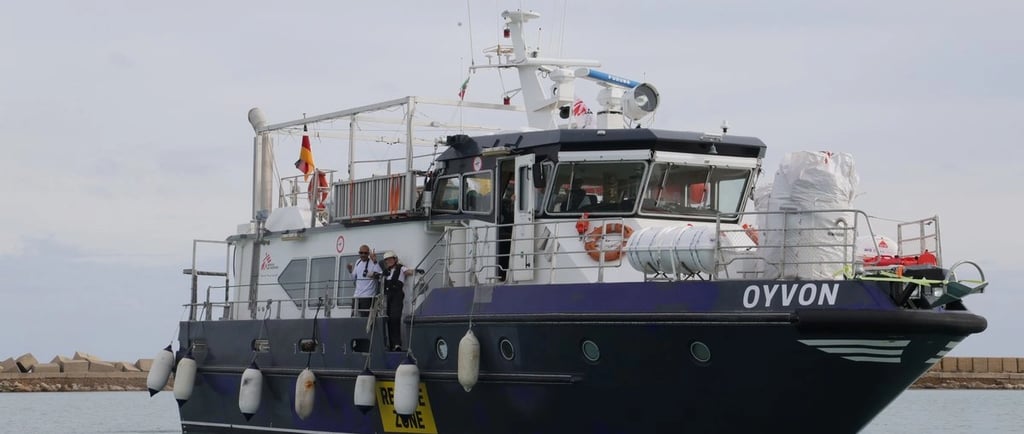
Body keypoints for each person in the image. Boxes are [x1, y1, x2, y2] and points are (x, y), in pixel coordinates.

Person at [381, 251, 415, 351]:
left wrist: (415, 270)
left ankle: (397, 344)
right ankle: (391, 344)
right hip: (387, 296)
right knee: (388, 319)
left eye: (390, 259)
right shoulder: (386, 272)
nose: (389, 261)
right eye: (387, 260)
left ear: (395, 259)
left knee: (395, 318)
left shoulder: (401, 268)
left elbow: (409, 272)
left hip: (397, 295)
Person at [347, 245, 381, 317]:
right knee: (353, 318)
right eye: (361, 253)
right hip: (357, 296)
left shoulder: (373, 262)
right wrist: (350, 271)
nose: (363, 255)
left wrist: (375, 261)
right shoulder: (358, 262)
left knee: (366, 319)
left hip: (368, 296)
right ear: (359, 253)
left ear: (368, 254)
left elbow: (380, 274)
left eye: (365, 253)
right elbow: (353, 278)